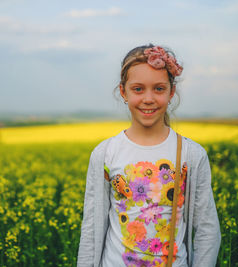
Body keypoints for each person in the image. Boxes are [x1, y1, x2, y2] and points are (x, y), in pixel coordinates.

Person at [77, 44, 221, 267]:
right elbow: (91, 229)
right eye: (138, 89)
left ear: (171, 92)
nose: (148, 98)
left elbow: (207, 230)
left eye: (159, 89)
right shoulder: (105, 153)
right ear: (123, 92)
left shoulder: (192, 155)